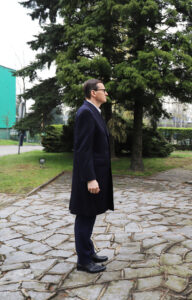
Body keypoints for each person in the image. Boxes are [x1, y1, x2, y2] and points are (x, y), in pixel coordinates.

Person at [69, 79, 114, 273]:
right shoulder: (86, 112)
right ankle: (84, 261)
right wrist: (90, 178)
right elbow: (83, 149)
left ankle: (88, 251)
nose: (107, 93)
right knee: (85, 216)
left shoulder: (94, 112)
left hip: (96, 173)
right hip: (89, 176)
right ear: (93, 93)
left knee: (90, 214)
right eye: (104, 90)